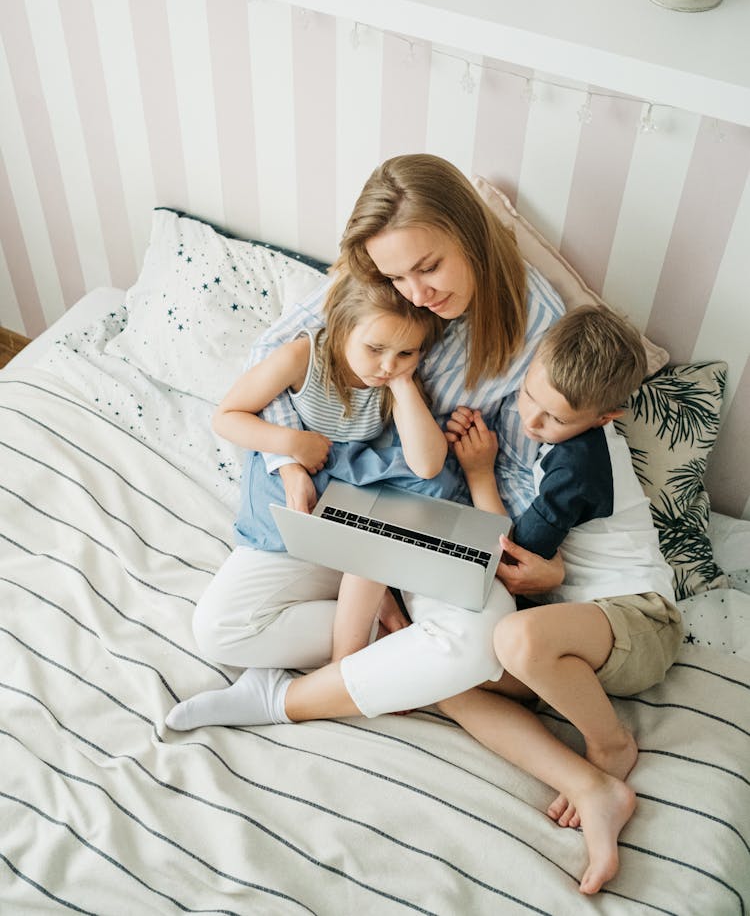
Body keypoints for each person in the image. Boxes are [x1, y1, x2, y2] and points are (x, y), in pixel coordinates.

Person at [165, 154, 564, 733]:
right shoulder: (378, 277)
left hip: (433, 514)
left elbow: (530, 463)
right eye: (397, 277)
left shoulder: (536, 324)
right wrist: (286, 458)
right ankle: (391, 652)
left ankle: (293, 696)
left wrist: (545, 563)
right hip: (335, 494)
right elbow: (277, 359)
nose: (416, 294)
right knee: (220, 629)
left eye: (428, 268)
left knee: (479, 643)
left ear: (471, 234)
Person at [438, 305, 683, 896]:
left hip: (641, 621)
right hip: (583, 641)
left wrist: (478, 474)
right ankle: (593, 788)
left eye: (555, 418)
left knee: (514, 638)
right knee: (449, 678)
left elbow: (510, 558)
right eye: (529, 397)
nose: (532, 420)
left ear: (607, 416)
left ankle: (611, 745)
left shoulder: (582, 464)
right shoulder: (550, 421)